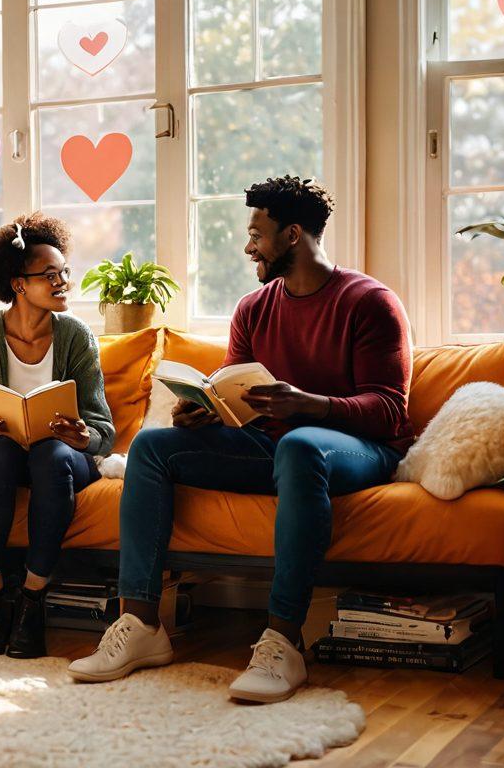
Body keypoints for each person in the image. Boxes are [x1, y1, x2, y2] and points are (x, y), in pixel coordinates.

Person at [69, 176, 414, 703]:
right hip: (272, 449)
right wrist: (207, 412)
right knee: (152, 446)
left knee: (300, 446)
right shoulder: (254, 308)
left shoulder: (369, 302)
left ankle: (283, 640)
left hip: (357, 450)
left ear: (293, 234)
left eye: (257, 233)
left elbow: (389, 410)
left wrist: (310, 405)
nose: (248, 244)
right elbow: (233, 394)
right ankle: (141, 624)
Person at [0, 213, 115, 659]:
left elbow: (103, 428)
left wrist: (83, 437)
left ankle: (31, 600)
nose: (63, 282)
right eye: (50, 275)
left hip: (57, 457)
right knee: (1, 453)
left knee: (51, 455)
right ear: (18, 283)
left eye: (65, 273)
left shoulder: (77, 336)